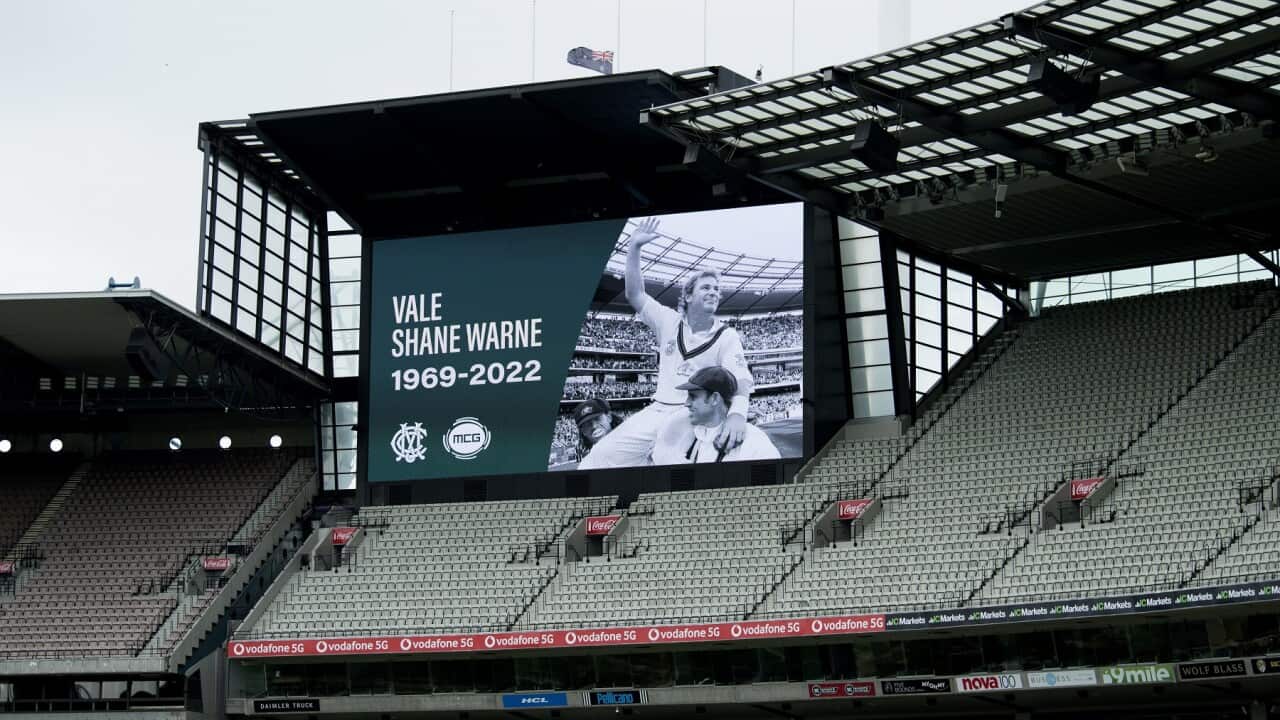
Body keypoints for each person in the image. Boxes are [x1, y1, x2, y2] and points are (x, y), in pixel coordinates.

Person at [577, 217, 753, 469]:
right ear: (689, 296)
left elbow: (741, 381)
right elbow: (634, 294)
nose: (714, 292)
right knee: (598, 458)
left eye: (716, 289)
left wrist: (737, 415)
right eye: (706, 288)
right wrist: (634, 247)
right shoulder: (669, 321)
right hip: (658, 408)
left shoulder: (727, 335)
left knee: (664, 458)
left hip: (693, 411)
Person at [652, 366, 780, 464]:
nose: (687, 403)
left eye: (693, 397)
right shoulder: (690, 435)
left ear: (714, 399)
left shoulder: (753, 440)